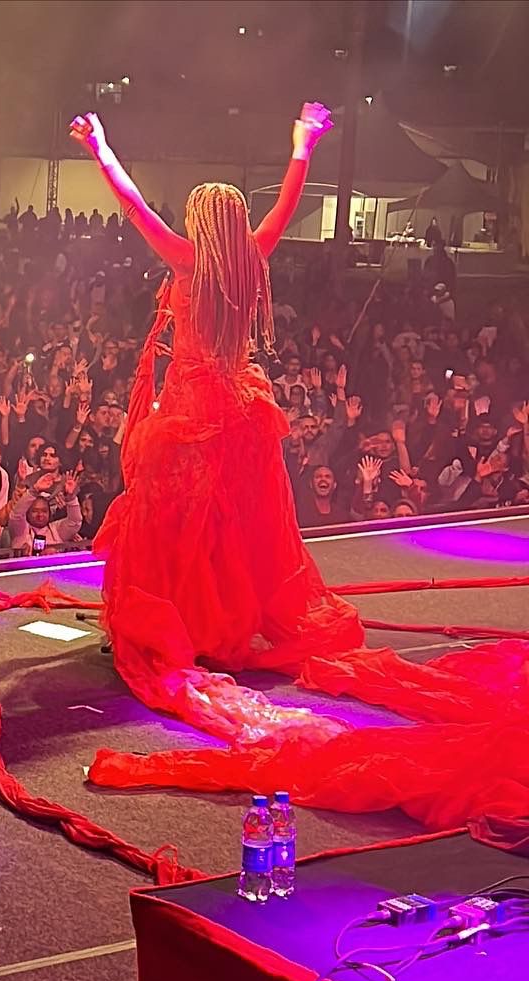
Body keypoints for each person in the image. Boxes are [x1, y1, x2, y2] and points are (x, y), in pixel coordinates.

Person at [69, 102, 363, 717]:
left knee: (174, 521)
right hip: (239, 405)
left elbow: (133, 206)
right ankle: (221, 623)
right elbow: (285, 204)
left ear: (204, 222)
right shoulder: (253, 254)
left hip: (189, 410)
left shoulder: (187, 259)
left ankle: (185, 627)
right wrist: (302, 146)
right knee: (231, 527)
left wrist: (101, 148)